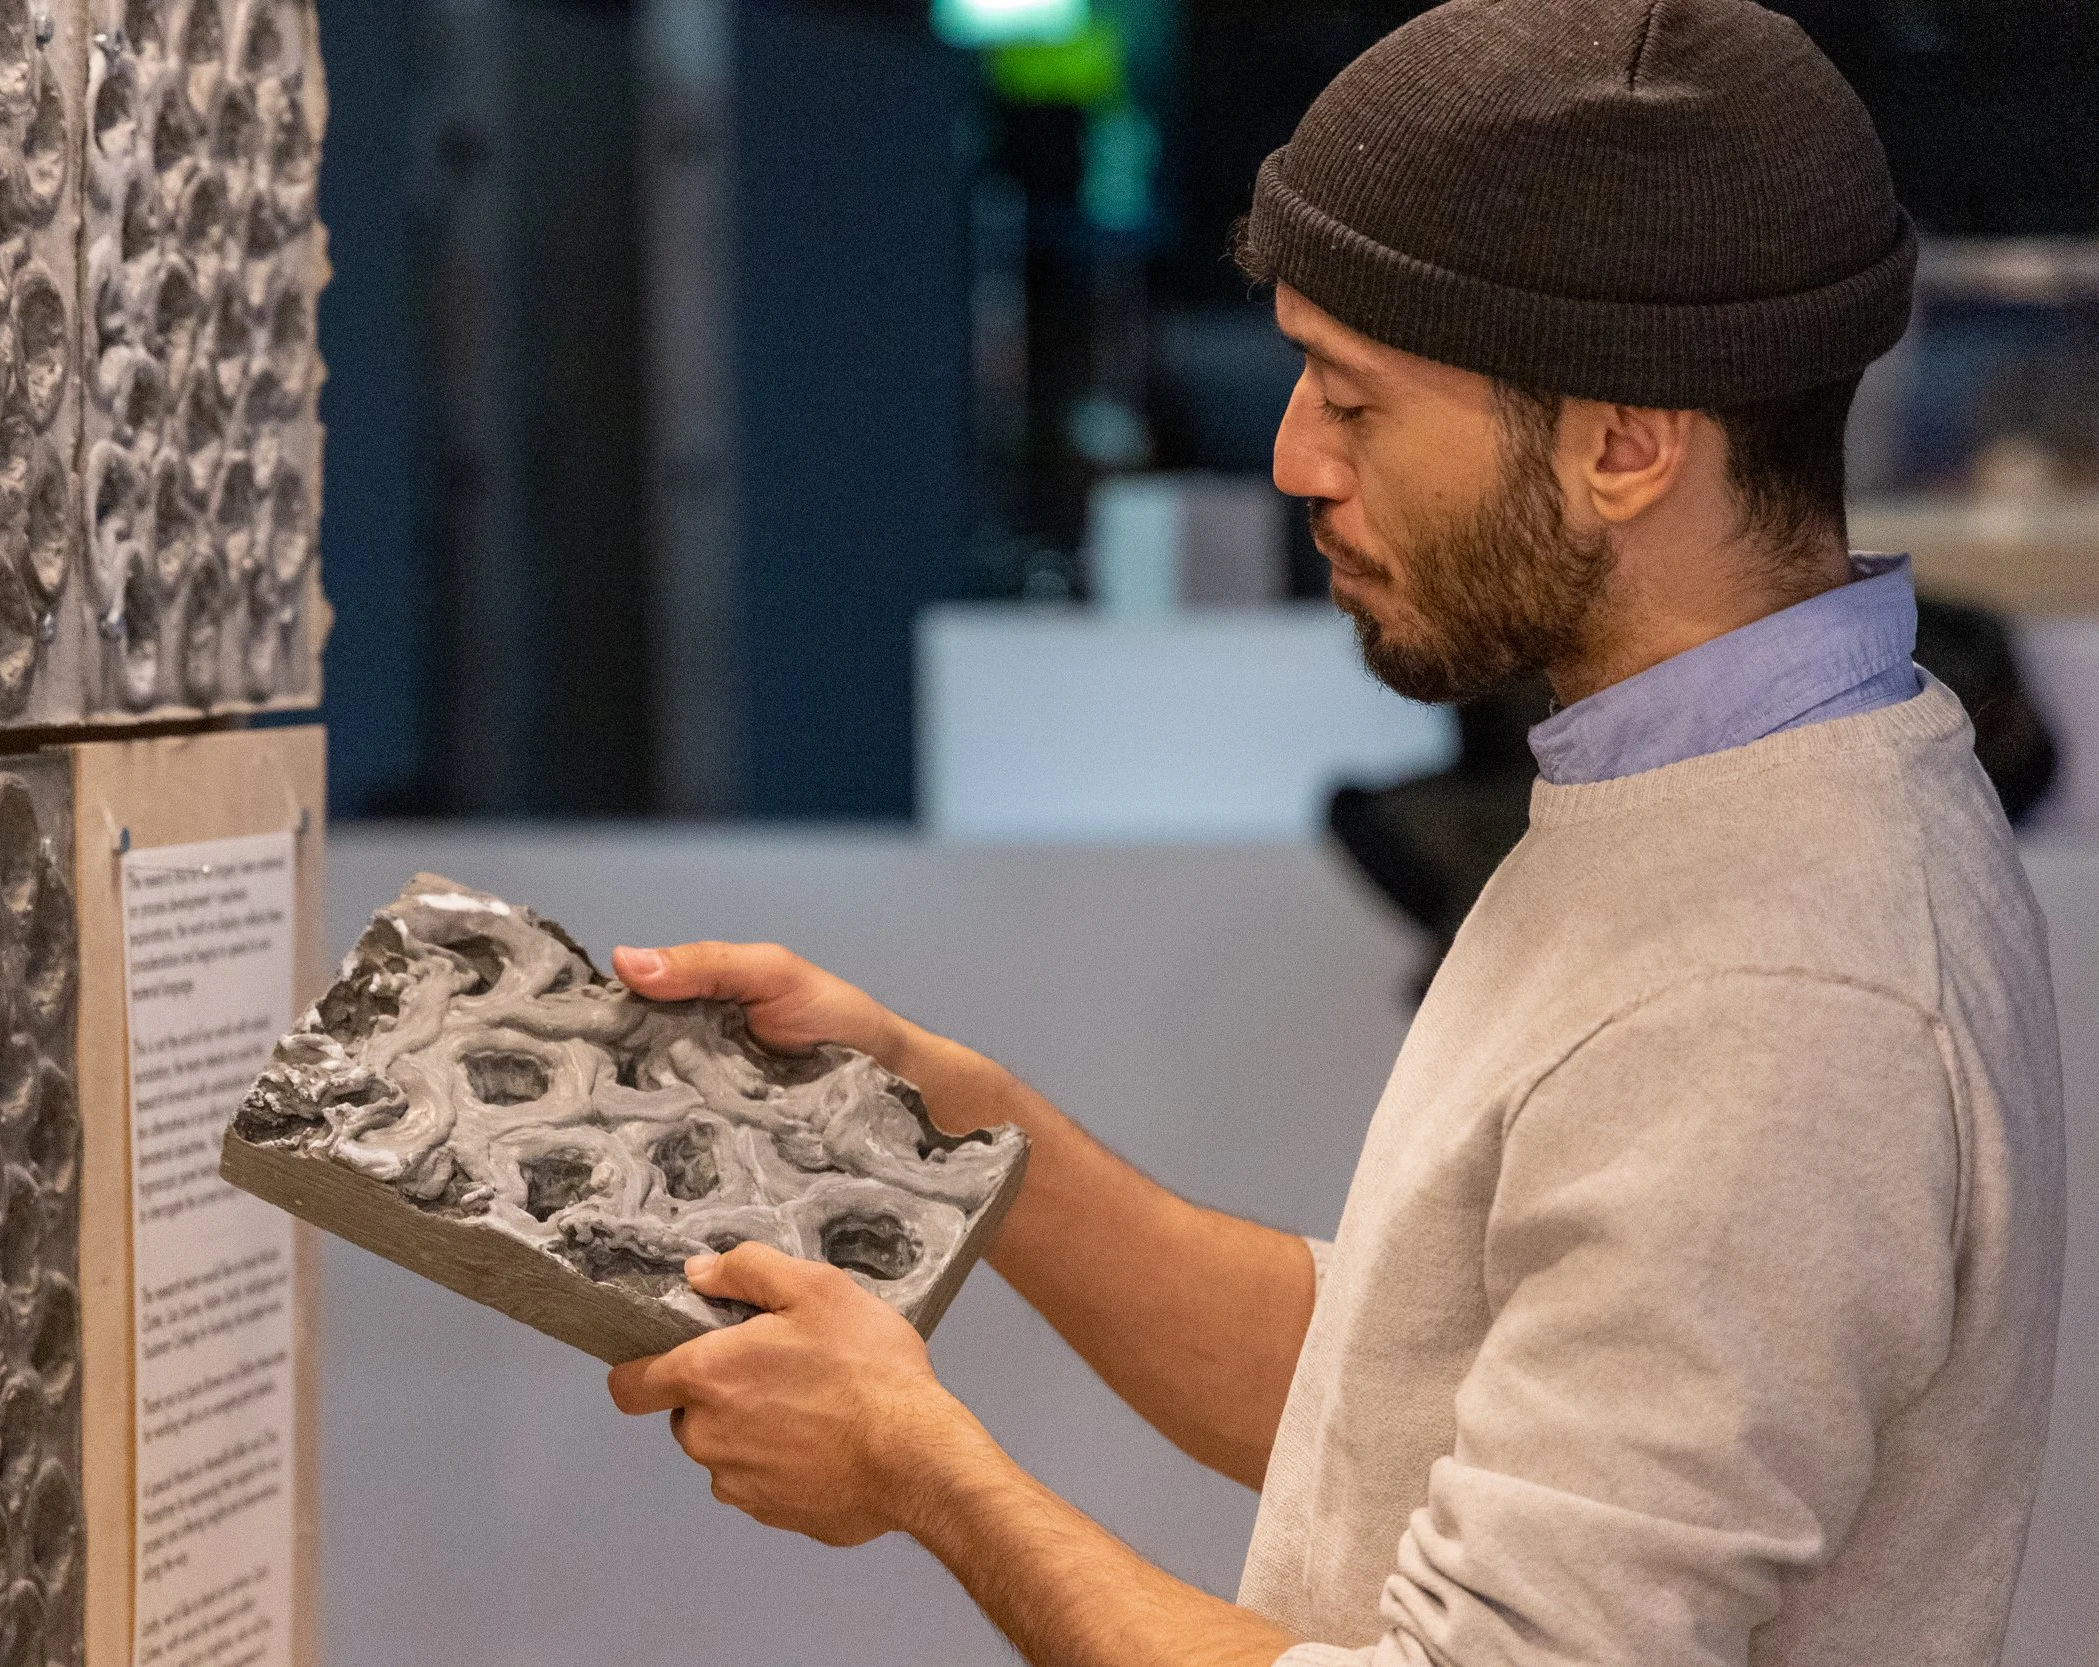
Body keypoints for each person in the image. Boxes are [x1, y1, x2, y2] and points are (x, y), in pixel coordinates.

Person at [603, 1, 2066, 1661]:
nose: (1297, 456)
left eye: (1355, 401)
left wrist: (924, 1469)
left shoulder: (1776, 994)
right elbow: (1420, 1400)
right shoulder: (1718, 787)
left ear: (1627, 444)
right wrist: (952, 1123)